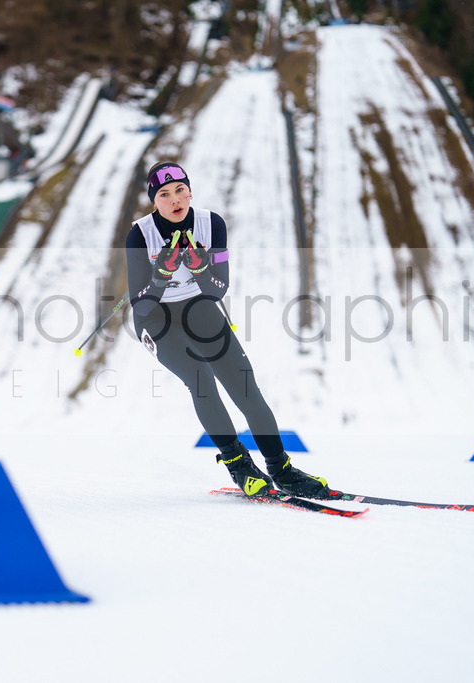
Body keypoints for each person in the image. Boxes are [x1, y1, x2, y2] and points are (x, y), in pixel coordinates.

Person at [125, 162, 330, 498]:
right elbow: (141, 304)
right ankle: (239, 465)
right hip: (156, 319)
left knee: (244, 384)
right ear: (154, 201)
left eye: (180, 190)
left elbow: (218, 288)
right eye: (164, 194)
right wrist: (161, 274)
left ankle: (282, 469)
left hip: (199, 306)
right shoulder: (140, 234)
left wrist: (200, 268)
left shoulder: (210, 224)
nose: (174, 199)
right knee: (200, 377)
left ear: (189, 191)